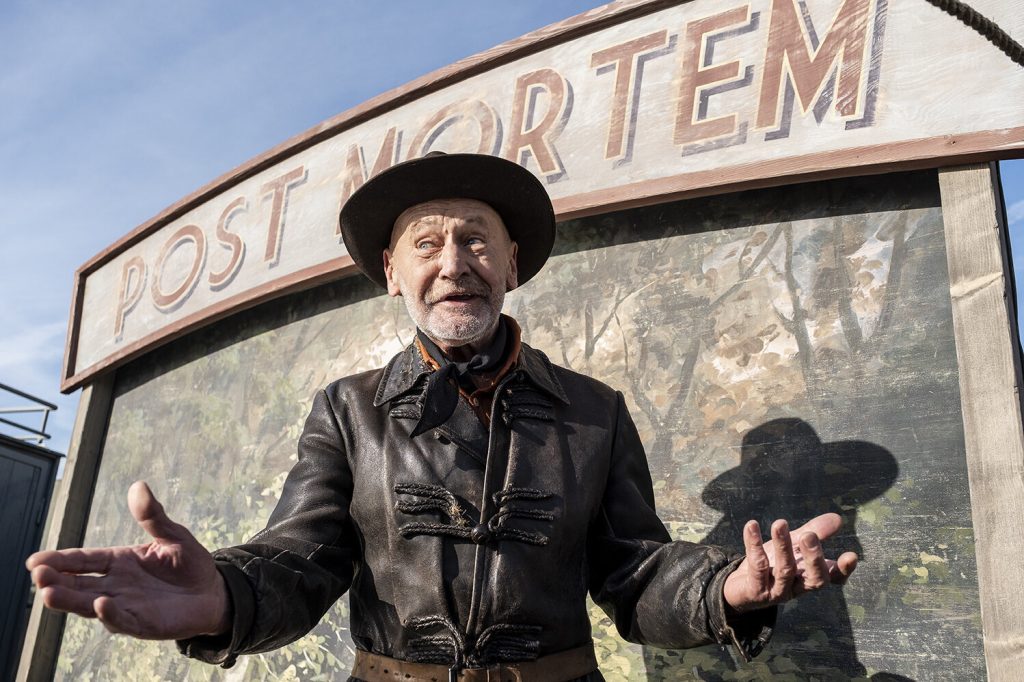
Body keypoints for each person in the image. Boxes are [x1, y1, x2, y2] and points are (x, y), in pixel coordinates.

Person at [27, 153, 857, 681]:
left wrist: (727, 589)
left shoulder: (595, 411)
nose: (454, 262)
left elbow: (634, 575)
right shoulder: (348, 410)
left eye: (476, 240)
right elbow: (298, 562)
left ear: (511, 265)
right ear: (393, 273)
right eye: (426, 244)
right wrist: (222, 594)